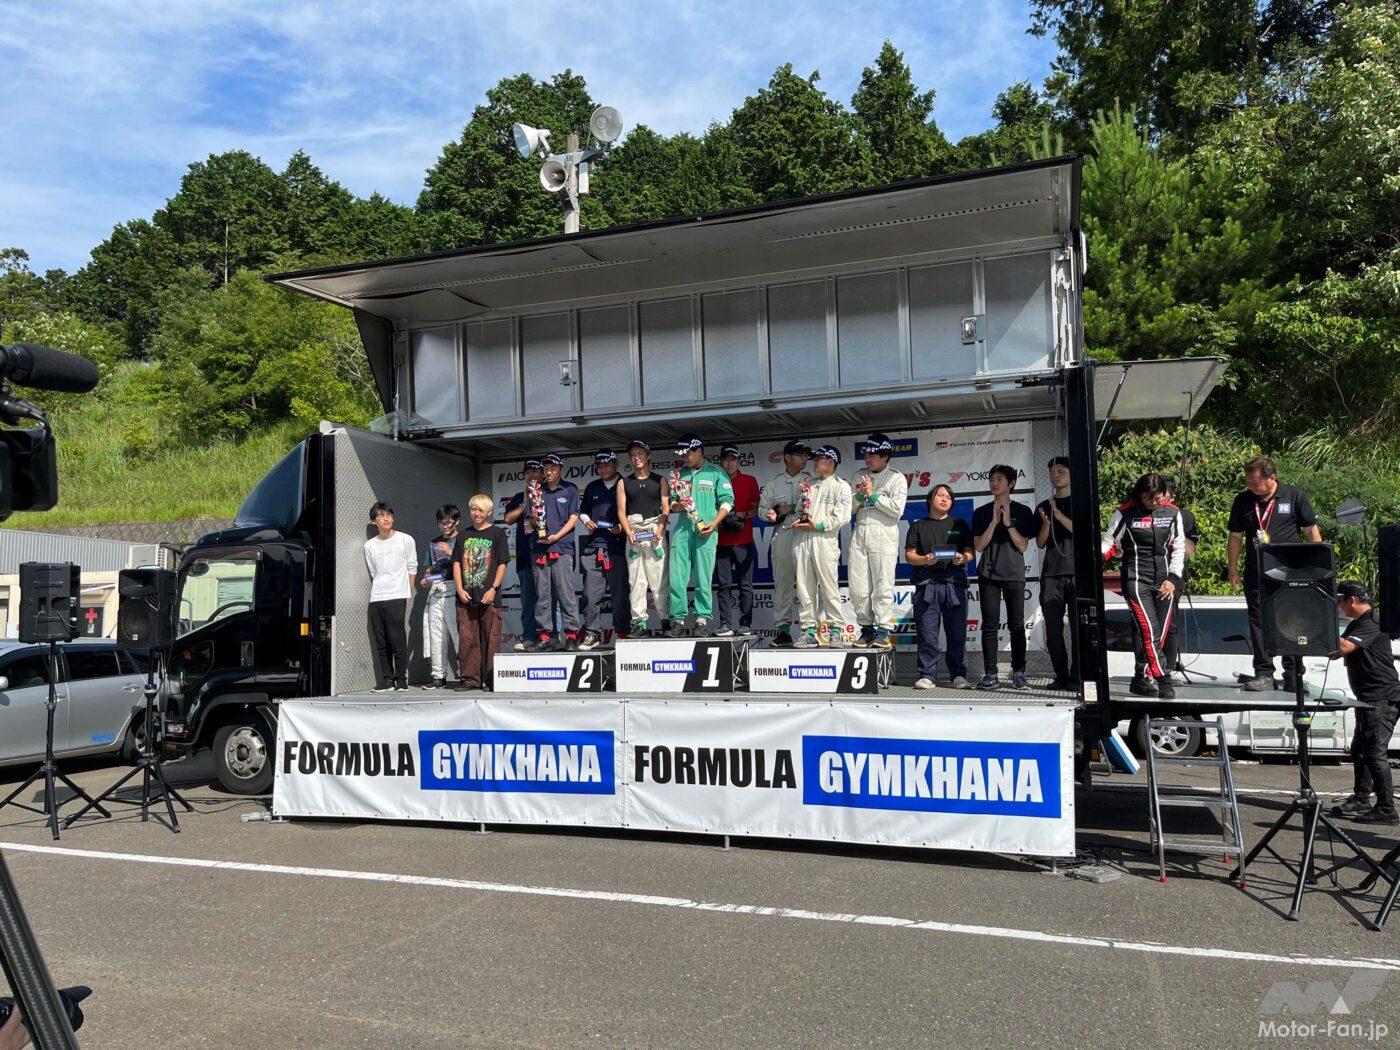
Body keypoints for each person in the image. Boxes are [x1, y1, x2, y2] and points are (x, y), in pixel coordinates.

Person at [1227, 456, 1322, 691]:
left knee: (1293, 620)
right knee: (1259, 622)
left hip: (1291, 572)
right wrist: (1232, 568)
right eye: (1248, 482)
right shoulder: (1243, 500)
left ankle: (1293, 674)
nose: (1251, 486)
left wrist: (1317, 568)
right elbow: (1235, 537)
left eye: (1256, 482)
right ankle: (1264, 674)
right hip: (1257, 572)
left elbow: (1311, 532)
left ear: (1272, 478)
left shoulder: (1294, 496)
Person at [1101, 473, 1186, 699]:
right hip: (1136, 579)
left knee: (1161, 632)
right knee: (1149, 631)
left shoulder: (1173, 513)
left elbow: (1179, 547)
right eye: (1150, 498)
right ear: (1139, 495)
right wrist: (1097, 556)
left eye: (1159, 497)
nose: (1155, 502)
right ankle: (1163, 678)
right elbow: (1110, 542)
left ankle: (1141, 677)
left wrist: (1173, 578)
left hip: (1165, 581)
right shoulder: (1125, 513)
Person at [1328, 582, 1400, 826]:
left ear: (1352, 600)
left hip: (1382, 697)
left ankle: (1386, 809)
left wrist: (1322, 623)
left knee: (1375, 752)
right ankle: (1361, 799)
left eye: (1340, 600)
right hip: (1367, 697)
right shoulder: (1357, 624)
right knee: (1359, 749)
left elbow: (1345, 646)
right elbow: (1338, 651)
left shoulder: (1372, 622)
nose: (1339, 606)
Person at [971, 465, 1036, 689]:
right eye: (991, 479)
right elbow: (979, 546)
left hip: (1014, 573)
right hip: (988, 573)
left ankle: (1019, 672)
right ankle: (991, 673)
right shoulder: (981, 512)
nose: (994, 483)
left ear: (1012, 483)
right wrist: (993, 523)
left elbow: (1023, 545)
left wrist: (1008, 523)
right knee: (989, 625)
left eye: (999, 479)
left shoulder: (1023, 511)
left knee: (1016, 625)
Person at [905, 484, 974, 688]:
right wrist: (924, 559)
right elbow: (909, 555)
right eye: (940, 495)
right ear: (930, 499)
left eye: (949, 497)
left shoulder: (959, 524)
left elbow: (970, 552)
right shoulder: (918, 526)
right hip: (927, 585)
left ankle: (958, 675)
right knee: (927, 633)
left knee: (957, 633)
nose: (945, 499)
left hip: (954, 584)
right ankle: (928, 675)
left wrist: (962, 558)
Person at [666, 436, 733, 636]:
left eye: (688, 454)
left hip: (706, 530)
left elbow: (727, 501)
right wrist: (679, 505)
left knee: (703, 578)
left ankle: (702, 620)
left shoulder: (716, 472)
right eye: (682, 455)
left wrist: (715, 523)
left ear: (699, 451)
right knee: (677, 577)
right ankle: (677, 621)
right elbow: (672, 504)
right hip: (683, 530)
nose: (685, 458)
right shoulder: (680, 475)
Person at [848, 433, 910, 650]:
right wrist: (859, 496)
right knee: (857, 587)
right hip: (860, 532)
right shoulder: (858, 475)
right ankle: (866, 630)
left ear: (885, 456)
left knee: (883, 585)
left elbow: (896, 510)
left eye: (872, 455)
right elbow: (848, 510)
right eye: (866, 454)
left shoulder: (896, 478)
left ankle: (883, 631)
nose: (867, 459)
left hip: (884, 533)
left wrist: (873, 495)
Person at [793, 446, 852, 649]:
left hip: (825, 541)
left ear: (832, 461)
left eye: (820, 458)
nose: (815, 462)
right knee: (804, 588)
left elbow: (843, 516)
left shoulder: (841, 486)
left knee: (829, 588)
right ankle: (808, 631)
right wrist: (800, 520)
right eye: (815, 458)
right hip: (802, 541)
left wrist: (817, 525)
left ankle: (835, 631)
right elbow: (800, 510)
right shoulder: (808, 485)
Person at [759, 440, 813, 647]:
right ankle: (783, 631)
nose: (804, 459)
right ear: (787, 457)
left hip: (804, 535)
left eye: (806, 455)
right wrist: (769, 514)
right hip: (782, 534)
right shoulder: (774, 483)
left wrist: (790, 507)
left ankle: (809, 630)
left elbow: (814, 505)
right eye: (799, 455)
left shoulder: (811, 480)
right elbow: (762, 509)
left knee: (806, 584)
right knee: (782, 585)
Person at [527, 453, 582, 651]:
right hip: (539, 549)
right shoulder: (535, 491)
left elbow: (574, 518)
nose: (549, 472)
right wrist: (535, 518)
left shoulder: (570, 489)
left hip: (562, 548)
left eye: (553, 468)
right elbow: (530, 523)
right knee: (542, 595)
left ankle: (571, 636)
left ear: (560, 469)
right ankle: (545, 636)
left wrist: (557, 536)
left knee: (566, 593)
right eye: (546, 469)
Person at [453, 494, 509, 689]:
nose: (476, 513)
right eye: (473, 509)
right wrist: (459, 588)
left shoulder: (497, 533)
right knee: (467, 639)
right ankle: (470, 679)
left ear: (489, 512)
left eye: (480, 510)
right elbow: (457, 563)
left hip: (489, 596)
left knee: (492, 639)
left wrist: (493, 588)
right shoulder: (463, 535)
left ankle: (492, 679)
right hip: (466, 597)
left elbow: (502, 563)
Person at [617, 439, 670, 637]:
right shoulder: (624, 482)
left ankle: (666, 621)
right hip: (634, 534)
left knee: (659, 580)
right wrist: (629, 532)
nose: (636, 458)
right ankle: (639, 623)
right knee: (636, 581)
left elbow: (666, 508)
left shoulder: (660, 480)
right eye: (632, 455)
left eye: (640, 453)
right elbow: (621, 512)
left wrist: (660, 529)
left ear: (648, 456)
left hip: (655, 533)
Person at [579, 449, 630, 649]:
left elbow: (633, 514)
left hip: (618, 548)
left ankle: (623, 632)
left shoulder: (626, 484)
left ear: (616, 464)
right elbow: (583, 511)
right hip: (594, 547)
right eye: (599, 466)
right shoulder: (592, 486)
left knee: (620, 594)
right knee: (590, 595)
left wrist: (622, 528)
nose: (603, 469)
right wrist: (586, 521)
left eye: (607, 465)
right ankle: (592, 633)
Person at [364, 501, 416, 691]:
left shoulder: (405, 539)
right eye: (381, 515)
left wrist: (408, 591)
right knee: (381, 641)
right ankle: (387, 680)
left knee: (397, 639)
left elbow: (412, 566)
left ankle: (401, 680)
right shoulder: (369, 545)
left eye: (389, 515)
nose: (386, 519)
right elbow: (373, 571)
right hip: (377, 597)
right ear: (374, 521)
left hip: (397, 595)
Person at [1035, 457, 1077, 690]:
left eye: (1060, 471)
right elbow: (1040, 543)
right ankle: (1061, 675)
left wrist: (1059, 515)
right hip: (1052, 573)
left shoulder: (1081, 501)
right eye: (1052, 472)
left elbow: (1084, 532)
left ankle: (1078, 675)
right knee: (1053, 629)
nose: (1056, 475)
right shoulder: (1043, 506)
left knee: (1080, 627)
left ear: (1071, 473)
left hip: (1077, 572)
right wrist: (1047, 524)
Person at [715, 445, 760, 637]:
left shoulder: (750, 480)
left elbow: (757, 508)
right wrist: (719, 520)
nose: (729, 463)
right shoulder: (716, 480)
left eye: (733, 459)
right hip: (721, 542)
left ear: (739, 461)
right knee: (723, 585)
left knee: (745, 585)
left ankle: (745, 624)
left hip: (744, 541)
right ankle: (725, 624)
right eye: (726, 459)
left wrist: (744, 515)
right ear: (721, 462)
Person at [502, 458, 546, 652]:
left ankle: (551, 637)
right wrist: (525, 503)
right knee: (528, 600)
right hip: (525, 557)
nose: (531, 475)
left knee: (548, 599)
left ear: (542, 474)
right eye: (527, 472)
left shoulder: (548, 494)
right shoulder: (519, 497)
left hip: (546, 555)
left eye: (535, 471)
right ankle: (529, 637)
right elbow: (508, 519)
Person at [1160, 476, 1199, 683]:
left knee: (1170, 624)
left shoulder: (1183, 516)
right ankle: (1148, 669)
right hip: (1147, 575)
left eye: (1162, 494)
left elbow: (1190, 551)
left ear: (1172, 496)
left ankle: (1168, 668)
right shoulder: (1140, 513)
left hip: (1173, 576)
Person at [418, 505, 460, 689]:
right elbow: (430, 569)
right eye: (442, 522)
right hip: (436, 590)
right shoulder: (433, 543)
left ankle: (466, 673)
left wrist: (452, 553)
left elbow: (470, 565)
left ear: (457, 521)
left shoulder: (464, 539)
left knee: (459, 635)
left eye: (449, 522)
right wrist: (427, 579)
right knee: (436, 635)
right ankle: (438, 676)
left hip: (456, 590)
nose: (446, 526)